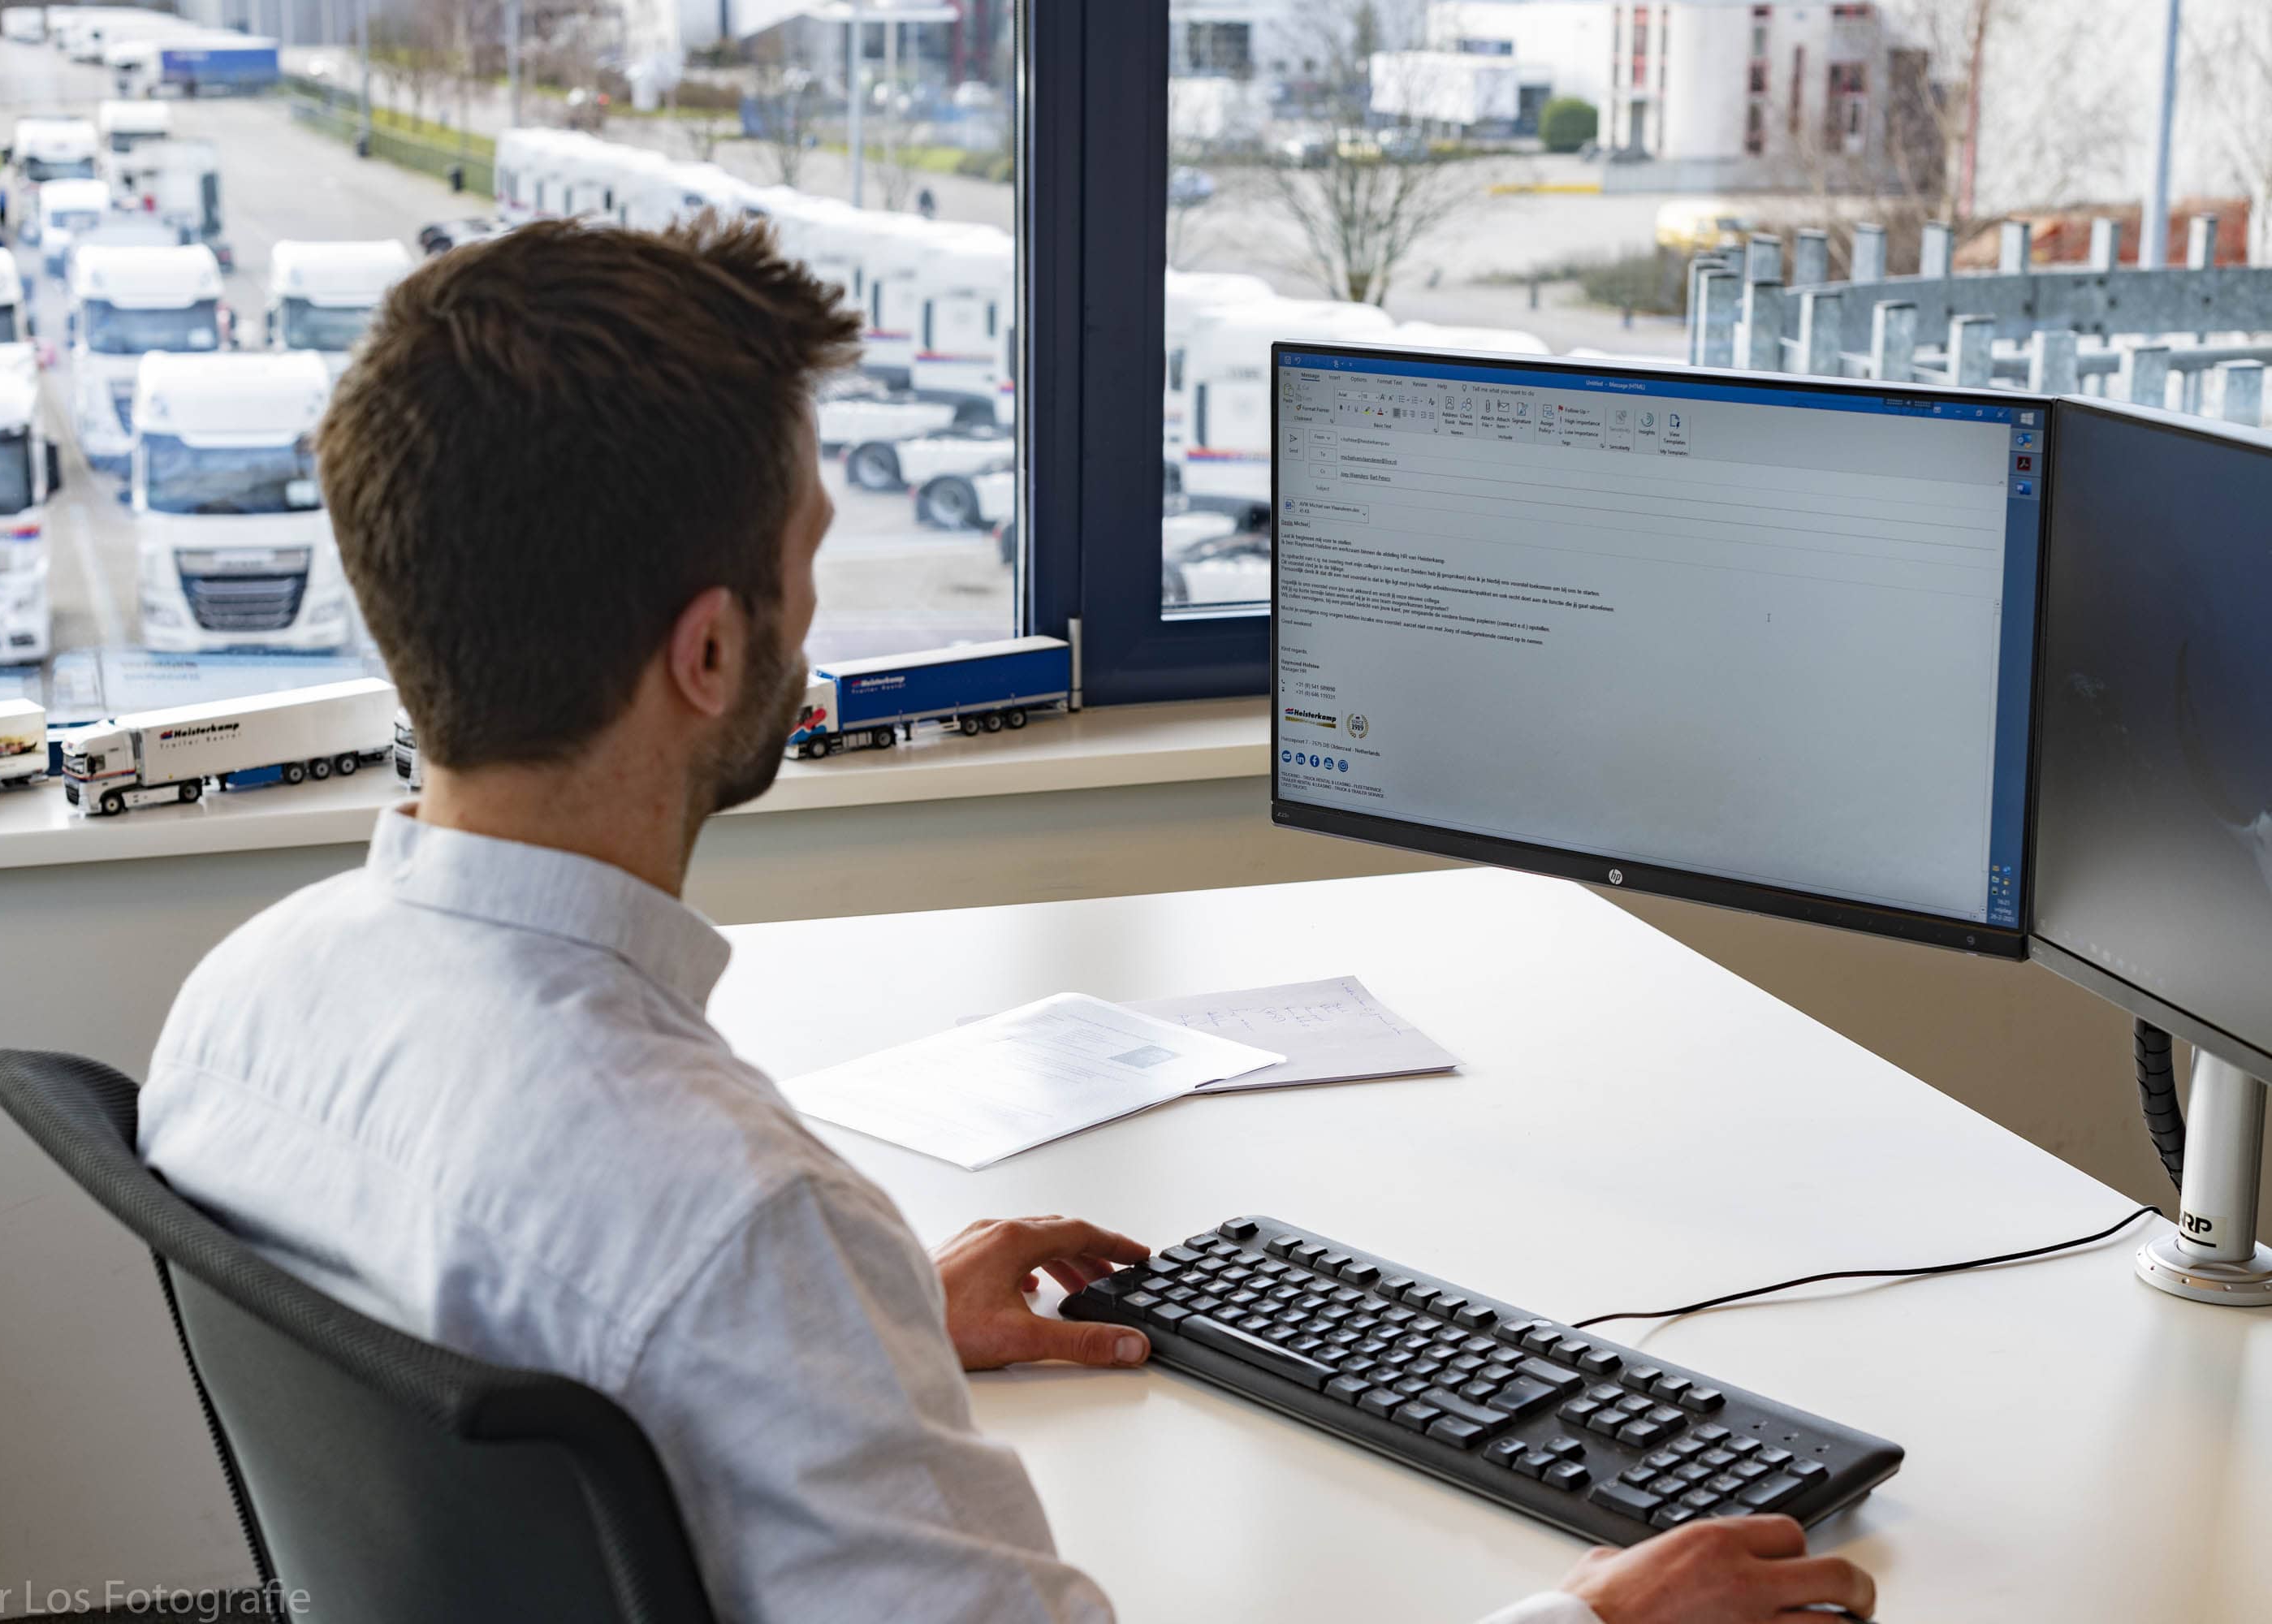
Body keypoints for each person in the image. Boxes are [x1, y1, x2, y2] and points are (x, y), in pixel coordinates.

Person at [139, 218, 1877, 1624]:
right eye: (804, 558)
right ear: (712, 654)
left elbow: (571, 1358)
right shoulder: (731, 1216)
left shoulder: (246, 1000)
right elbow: (676, 1257)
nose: (815, 606)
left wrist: (858, 1334)